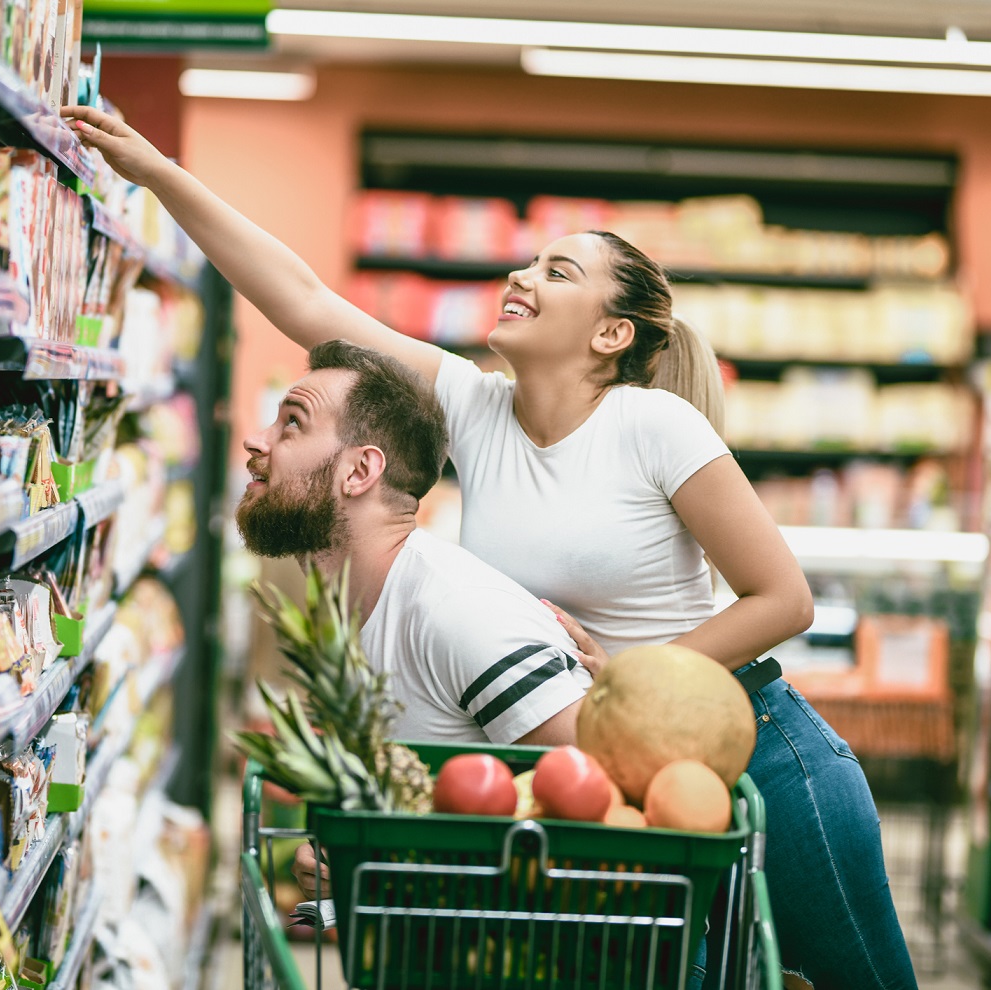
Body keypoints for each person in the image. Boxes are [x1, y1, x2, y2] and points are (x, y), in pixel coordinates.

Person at [62, 106, 916, 990]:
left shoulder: (654, 425)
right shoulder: (474, 407)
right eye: (528, 260)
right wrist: (158, 173)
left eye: (557, 270)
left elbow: (783, 601)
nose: (520, 273)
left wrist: (634, 680)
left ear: (611, 333)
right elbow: (306, 302)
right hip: (619, 765)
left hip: (763, 754)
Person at [238, 338, 590, 744]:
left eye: (293, 423)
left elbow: (593, 787)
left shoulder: (460, 616)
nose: (256, 440)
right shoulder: (351, 606)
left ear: (359, 472)